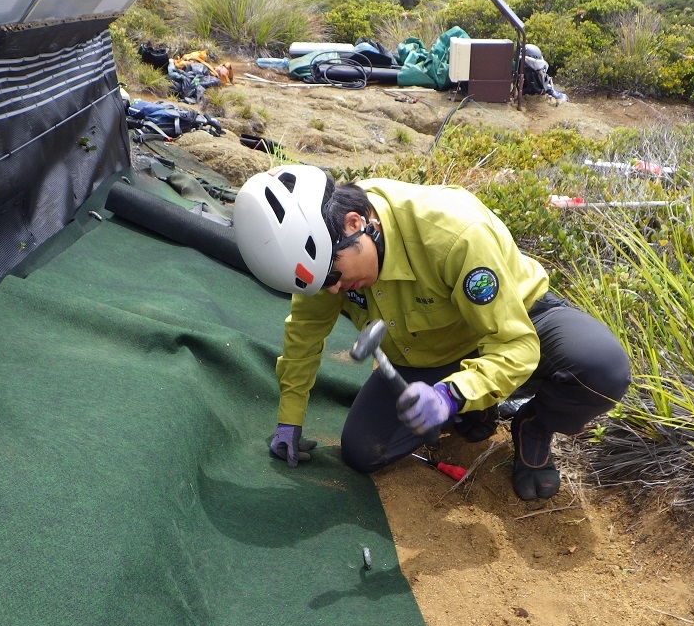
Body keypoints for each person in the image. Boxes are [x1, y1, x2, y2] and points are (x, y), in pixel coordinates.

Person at [232, 164, 630, 499]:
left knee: (602, 367)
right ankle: (477, 405)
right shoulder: (322, 259)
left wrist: (451, 394)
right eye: (321, 285)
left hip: (511, 320)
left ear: (356, 223)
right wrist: (290, 418)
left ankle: (534, 426)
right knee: (362, 451)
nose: (332, 291)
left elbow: (516, 345)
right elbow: (304, 335)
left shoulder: (453, 233)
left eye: (334, 276)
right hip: (430, 350)